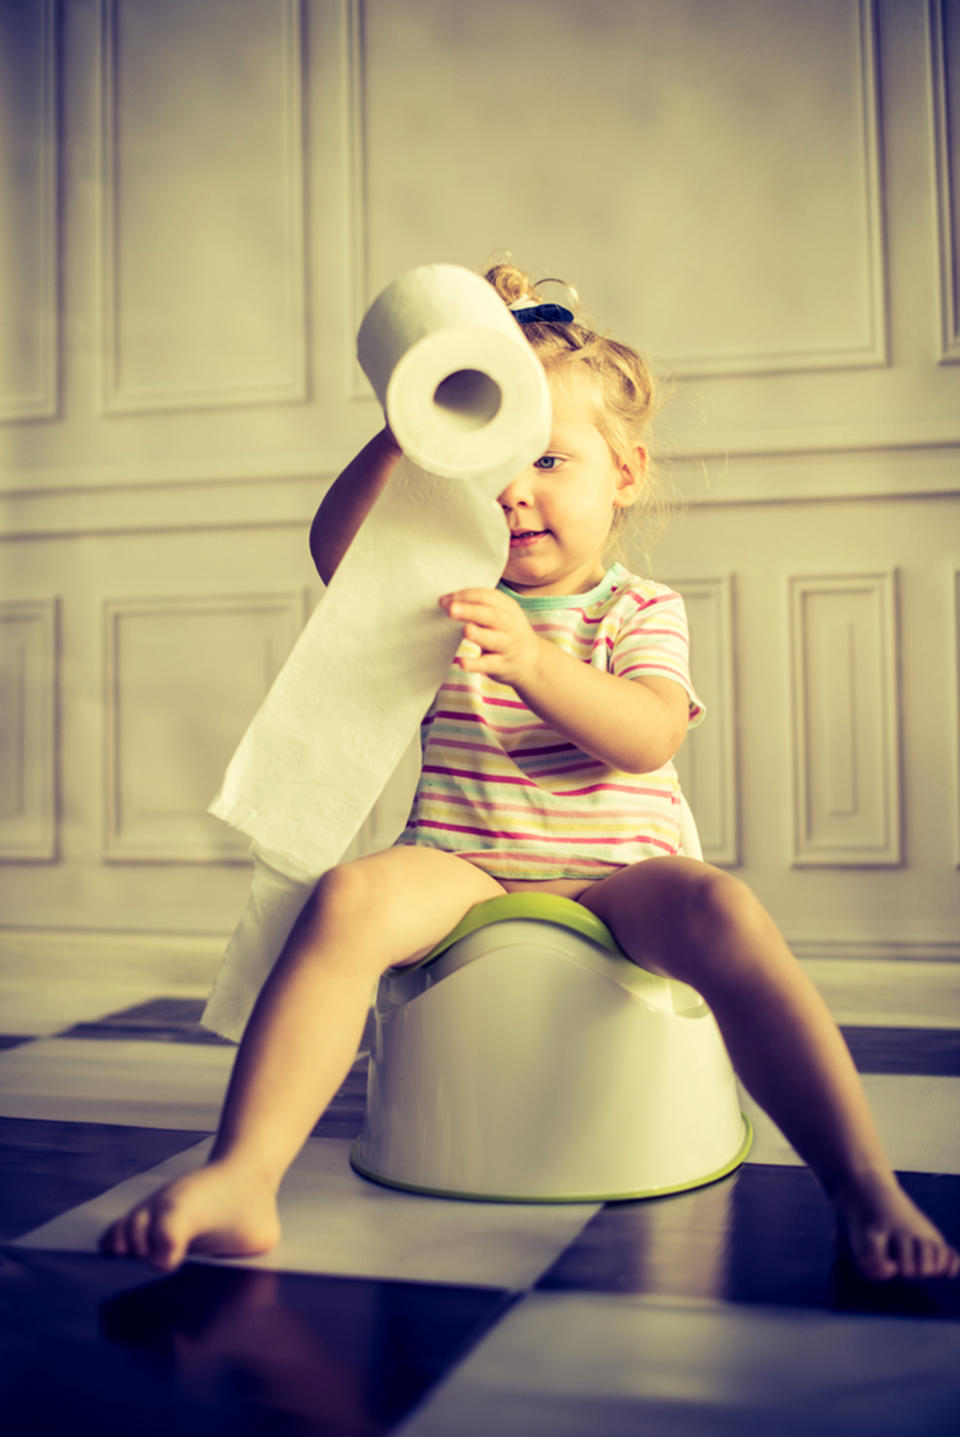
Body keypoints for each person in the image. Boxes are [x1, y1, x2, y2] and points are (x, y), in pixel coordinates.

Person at [100, 262, 959, 1283]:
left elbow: (646, 735)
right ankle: (246, 1172)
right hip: (462, 859)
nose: (515, 489)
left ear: (624, 474)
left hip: (618, 871)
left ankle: (862, 1184)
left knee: (727, 916)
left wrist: (538, 663)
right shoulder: (439, 583)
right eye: (491, 460)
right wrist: (411, 421)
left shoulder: (638, 610)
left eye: (551, 459)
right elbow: (339, 551)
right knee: (348, 899)